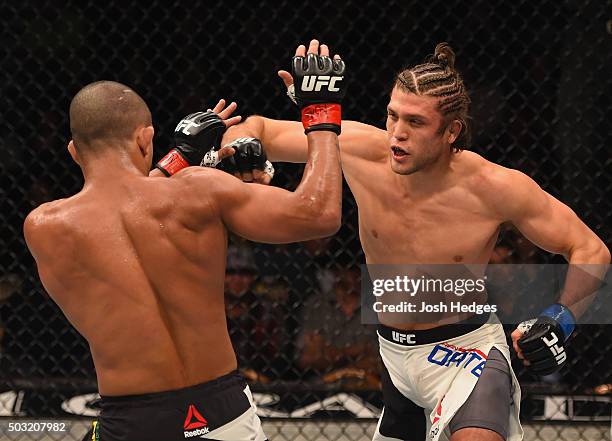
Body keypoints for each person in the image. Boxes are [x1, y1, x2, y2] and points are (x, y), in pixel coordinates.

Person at [222, 40, 610, 441]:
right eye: (392, 116)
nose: (397, 134)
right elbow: (258, 127)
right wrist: (244, 147)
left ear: (451, 131)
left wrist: (561, 320)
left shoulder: (493, 187)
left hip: (468, 355)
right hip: (392, 358)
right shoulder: (360, 150)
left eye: (416, 122)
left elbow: (590, 248)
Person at [23, 39, 346, 441]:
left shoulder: (45, 225)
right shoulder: (197, 192)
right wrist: (321, 113)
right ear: (146, 138)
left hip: (131, 424)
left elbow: (117, 211)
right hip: (224, 414)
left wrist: (176, 159)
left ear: (74, 151)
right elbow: (320, 213)